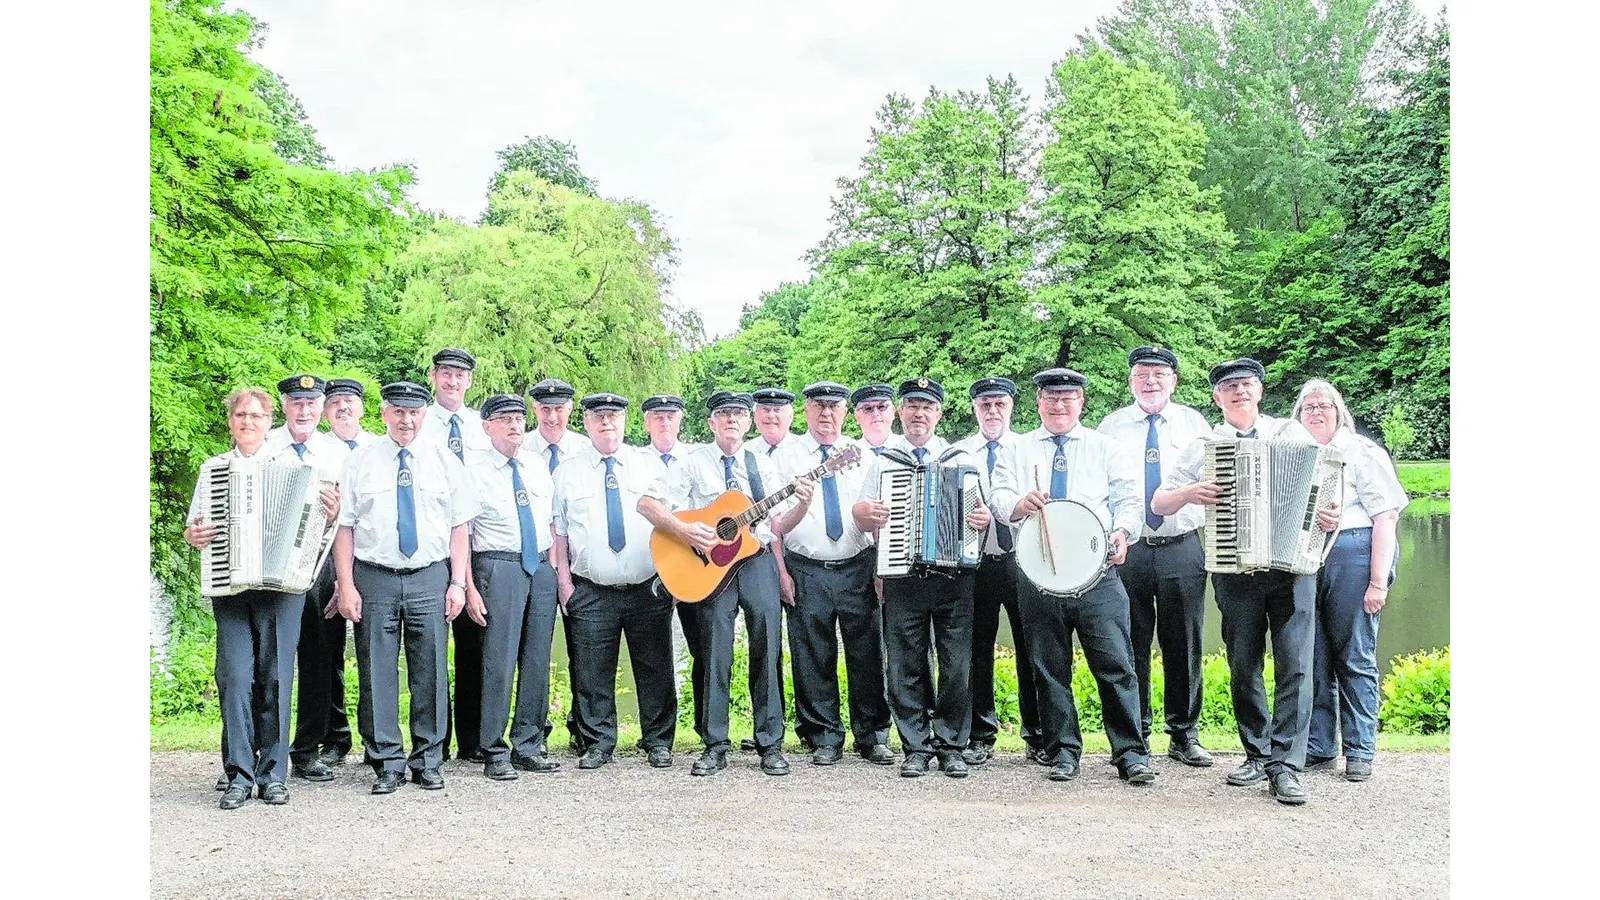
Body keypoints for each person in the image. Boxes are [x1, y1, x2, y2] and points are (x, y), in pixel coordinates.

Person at [1152, 358, 1339, 805]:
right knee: (1243, 664)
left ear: (1260, 391)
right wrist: (1189, 493)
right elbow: (1159, 503)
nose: (1239, 392)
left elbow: (1324, 489)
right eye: (1230, 386)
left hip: (1292, 567)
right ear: (1216, 397)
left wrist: (1327, 515)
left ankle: (1286, 766)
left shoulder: (1290, 434)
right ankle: (1257, 753)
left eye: (1247, 384)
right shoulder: (1205, 446)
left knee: (1296, 665)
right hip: (1233, 569)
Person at [989, 368, 1156, 787]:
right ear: (1038, 403)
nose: (1058, 405)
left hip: (1097, 574)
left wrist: (1124, 531)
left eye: (1067, 398)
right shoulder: (1016, 449)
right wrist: (1019, 504)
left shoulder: (1105, 447)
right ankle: (1062, 750)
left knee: (1116, 664)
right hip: (1039, 576)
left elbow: (1129, 500)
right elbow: (998, 496)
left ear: (1081, 402)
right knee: (1049, 669)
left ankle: (1130, 753)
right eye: (1050, 398)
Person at [184, 386, 337, 809]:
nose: (247, 422)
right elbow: (195, 528)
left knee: (275, 678)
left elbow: (315, 533)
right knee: (235, 677)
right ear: (230, 422)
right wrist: (194, 535)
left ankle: (273, 774)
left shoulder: (298, 469)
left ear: (269, 422)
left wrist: (331, 515)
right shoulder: (213, 469)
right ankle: (238, 774)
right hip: (230, 585)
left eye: (255, 415)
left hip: (281, 587)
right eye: (240, 415)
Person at [335, 381, 478, 795]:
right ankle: (386, 762)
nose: (406, 420)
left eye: (413, 412)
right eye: (398, 411)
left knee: (430, 670)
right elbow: (345, 528)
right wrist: (346, 585)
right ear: (384, 414)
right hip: (375, 576)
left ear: (423, 415)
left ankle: (428, 760)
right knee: (376, 672)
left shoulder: (444, 461)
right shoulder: (360, 461)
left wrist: (457, 582)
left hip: (429, 576)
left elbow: (459, 527)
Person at [640, 391, 791, 777]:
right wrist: (684, 530)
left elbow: (778, 523)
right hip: (711, 567)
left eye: (738, 413)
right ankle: (714, 744)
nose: (731, 420)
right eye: (723, 413)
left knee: (767, 647)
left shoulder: (761, 465)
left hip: (756, 560)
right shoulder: (693, 462)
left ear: (748, 422)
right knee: (713, 651)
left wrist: (802, 500)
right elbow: (648, 504)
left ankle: (770, 743)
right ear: (711, 422)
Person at [851, 377, 991, 779]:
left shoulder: (960, 457)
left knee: (956, 665)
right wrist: (866, 514)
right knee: (904, 664)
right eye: (912, 405)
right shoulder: (885, 461)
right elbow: (860, 514)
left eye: (927, 406)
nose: (919, 413)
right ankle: (915, 746)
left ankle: (951, 746)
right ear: (900, 412)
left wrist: (981, 520)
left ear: (938, 414)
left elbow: (981, 513)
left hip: (953, 577)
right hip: (902, 575)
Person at [1095, 347, 1216, 768]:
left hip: (1182, 545)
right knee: (1130, 642)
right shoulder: (1111, 427)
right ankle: (1137, 734)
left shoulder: (1195, 424)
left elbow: (1214, 481)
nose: (1150, 381)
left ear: (1174, 381)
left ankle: (1184, 734)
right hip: (1128, 549)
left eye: (1159, 374)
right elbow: (1103, 488)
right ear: (1131, 380)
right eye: (1142, 374)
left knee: (1184, 642)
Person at [550, 394, 678, 770]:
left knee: (655, 667)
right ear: (586, 422)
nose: (607, 423)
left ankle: (658, 741)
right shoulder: (567, 472)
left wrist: (671, 577)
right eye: (599, 416)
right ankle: (598, 742)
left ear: (625, 421)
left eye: (614, 416)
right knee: (592, 671)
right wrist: (564, 584)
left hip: (647, 586)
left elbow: (672, 524)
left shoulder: (647, 466)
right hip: (591, 588)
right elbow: (559, 533)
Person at [770, 381, 894, 766]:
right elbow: (774, 525)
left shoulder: (863, 455)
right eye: (818, 406)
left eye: (833, 406)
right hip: (805, 568)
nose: (826, 413)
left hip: (858, 564)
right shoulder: (785, 456)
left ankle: (872, 734)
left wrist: (882, 567)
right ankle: (823, 735)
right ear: (805, 410)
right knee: (812, 654)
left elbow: (879, 515)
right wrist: (781, 572)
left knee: (867, 652)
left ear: (845, 412)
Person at [1291, 379, 1407, 783]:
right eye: (1308, 407)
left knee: (1355, 656)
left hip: (1353, 557)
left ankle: (1359, 749)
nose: (1315, 412)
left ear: (1339, 412)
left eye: (1324, 405)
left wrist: (1378, 582)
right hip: (1307, 560)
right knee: (1315, 657)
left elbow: (1386, 517)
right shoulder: (1295, 454)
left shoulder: (1361, 451)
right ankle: (1320, 746)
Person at [463, 393, 563, 780]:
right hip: (498, 565)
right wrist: (468, 586)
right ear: (487, 426)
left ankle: (529, 743)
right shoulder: (473, 470)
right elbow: (464, 534)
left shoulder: (535, 465)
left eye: (519, 419)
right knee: (499, 660)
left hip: (539, 565)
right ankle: (493, 748)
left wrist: (553, 570)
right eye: (505, 419)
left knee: (537, 659)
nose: (514, 425)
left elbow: (551, 522)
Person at [263, 375, 354, 785]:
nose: (304, 411)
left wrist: (342, 577)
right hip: (272, 566)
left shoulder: (337, 453)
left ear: (321, 406)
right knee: (270, 662)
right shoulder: (266, 445)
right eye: (296, 402)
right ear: (285, 405)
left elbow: (349, 520)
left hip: (319, 564)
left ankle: (306, 750)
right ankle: (264, 749)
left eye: (311, 403)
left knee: (320, 661)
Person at [952, 376, 1046, 766]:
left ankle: (1037, 734)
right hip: (975, 564)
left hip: (1021, 561)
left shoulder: (1029, 449)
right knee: (977, 649)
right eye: (985, 405)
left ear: (1011, 407)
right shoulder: (958, 453)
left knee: (1031, 646)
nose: (992, 411)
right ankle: (981, 733)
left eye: (1000, 404)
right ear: (974, 408)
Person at [418, 347, 490, 763]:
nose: (452, 381)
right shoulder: (417, 422)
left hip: (474, 545)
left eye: (460, 375)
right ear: (433, 376)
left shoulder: (482, 427)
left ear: (469, 381)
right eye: (445, 373)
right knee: (429, 649)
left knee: (474, 644)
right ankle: (434, 741)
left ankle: (472, 739)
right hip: (428, 546)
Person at [525, 376, 586, 750]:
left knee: (584, 649)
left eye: (559, 409)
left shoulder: (585, 449)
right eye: (545, 409)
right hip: (536, 562)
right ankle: (537, 730)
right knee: (536, 650)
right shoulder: (520, 447)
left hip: (580, 562)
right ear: (535, 409)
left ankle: (582, 727)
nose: (552, 417)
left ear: (570, 410)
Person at [323, 378, 381, 449]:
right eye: (334, 402)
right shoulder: (316, 449)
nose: (342, 407)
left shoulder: (380, 446)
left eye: (349, 400)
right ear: (324, 412)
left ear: (362, 408)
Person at [641, 394, 699, 464]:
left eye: (670, 417)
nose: (665, 423)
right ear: (647, 423)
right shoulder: (637, 461)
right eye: (659, 418)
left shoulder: (695, 459)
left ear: (679, 423)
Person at [746, 387, 799, 457]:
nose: (771, 416)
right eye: (765, 410)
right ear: (755, 416)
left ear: (790, 417)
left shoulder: (804, 450)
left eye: (777, 410)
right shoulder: (745, 452)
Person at [850, 383, 896, 454]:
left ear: (893, 412)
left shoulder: (909, 447)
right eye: (868, 408)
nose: (875, 414)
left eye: (882, 407)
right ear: (857, 417)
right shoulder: (849, 454)